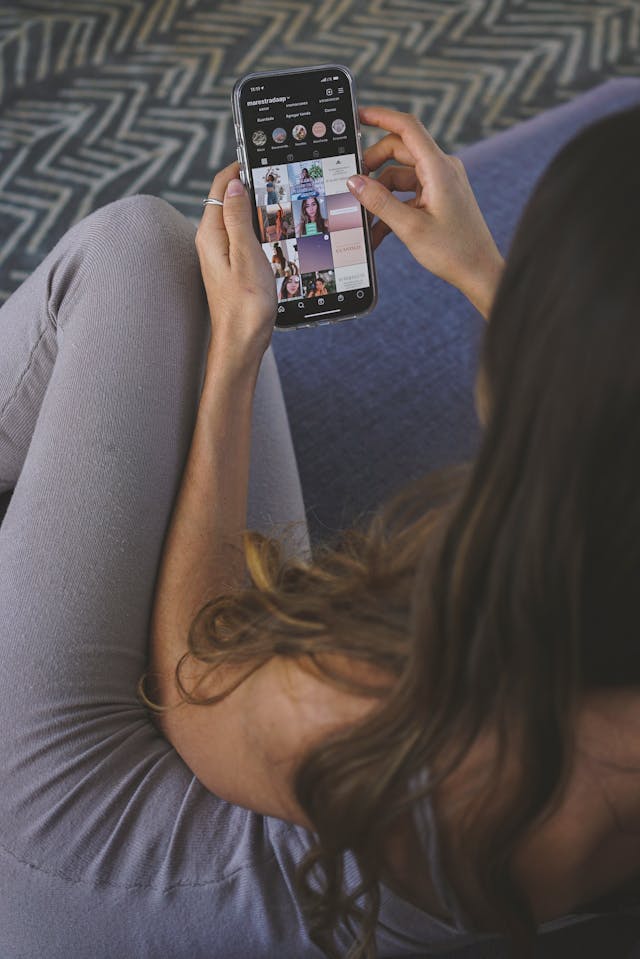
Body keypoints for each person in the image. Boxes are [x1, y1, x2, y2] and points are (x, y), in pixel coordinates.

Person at [1, 100, 640, 959]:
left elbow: (196, 675)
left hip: (93, 858)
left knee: (136, 249)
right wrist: (483, 271)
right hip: (288, 763)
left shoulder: (429, 701)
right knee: (177, 284)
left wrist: (237, 355)